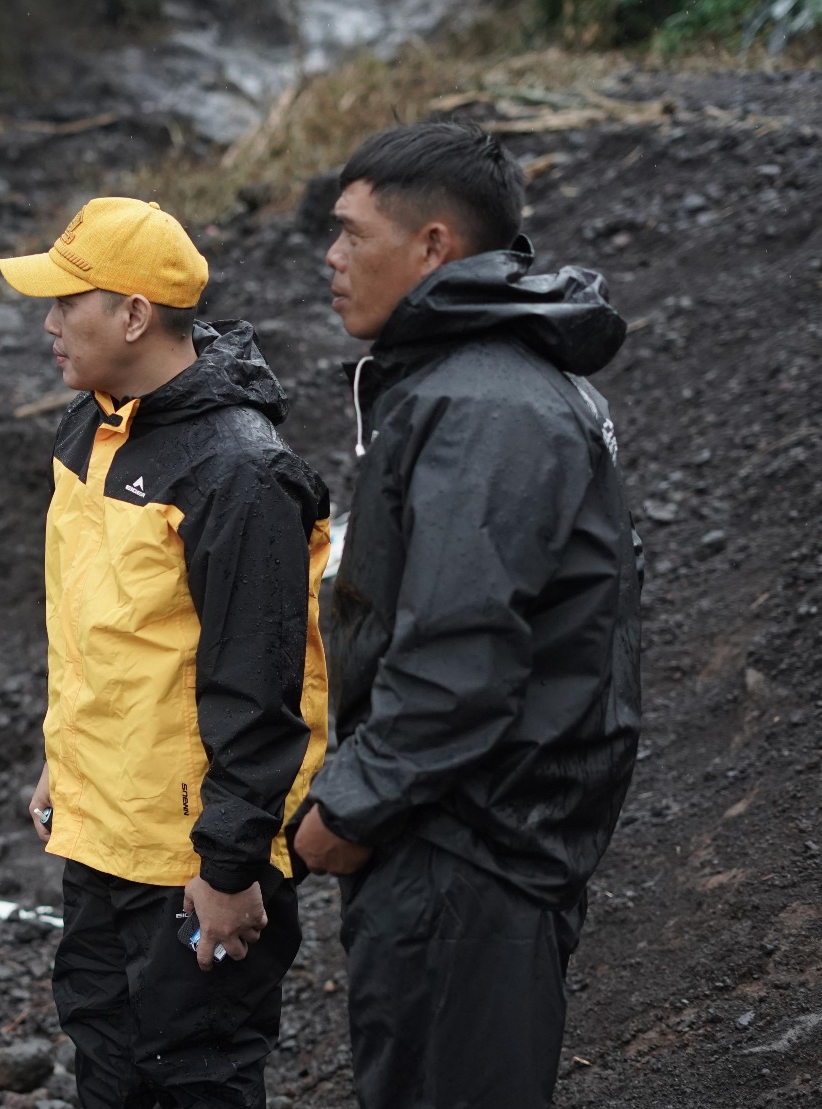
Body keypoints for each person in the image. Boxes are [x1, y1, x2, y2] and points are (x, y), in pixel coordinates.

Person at [292, 121, 644, 1109]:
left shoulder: (486, 402)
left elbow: (458, 649)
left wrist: (347, 806)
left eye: (349, 233)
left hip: (465, 836)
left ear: (433, 244)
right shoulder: (467, 381)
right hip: (458, 824)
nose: (330, 258)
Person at [0, 197, 332, 1108]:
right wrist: (62, 756)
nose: (49, 322)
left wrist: (229, 868)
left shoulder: (239, 470)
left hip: (189, 858)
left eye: (69, 302)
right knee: (106, 1058)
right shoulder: (92, 427)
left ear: (135, 315)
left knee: (196, 1074)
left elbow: (262, 685)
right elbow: (104, 632)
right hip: (103, 831)